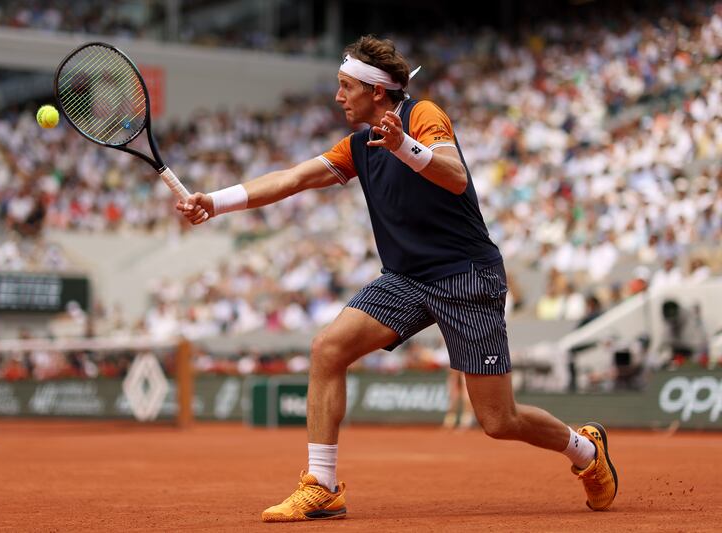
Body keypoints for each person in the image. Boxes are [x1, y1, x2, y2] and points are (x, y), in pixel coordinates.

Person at [177, 35, 618, 521]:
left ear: (377, 92)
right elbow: (294, 179)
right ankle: (322, 487)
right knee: (328, 348)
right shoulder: (357, 146)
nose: (338, 97)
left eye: (346, 87)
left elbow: (454, 176)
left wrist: (406, 147)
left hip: (465, 277)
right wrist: (214, 202)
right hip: (405, 279)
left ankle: (585, 451)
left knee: (498, 420)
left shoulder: (423, 115)